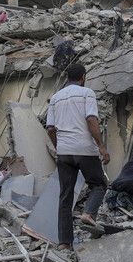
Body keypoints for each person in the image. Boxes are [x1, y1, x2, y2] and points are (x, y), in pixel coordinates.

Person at [45, 63, 110, 250]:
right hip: (85, 150)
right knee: (99, 184)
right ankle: (89, 213)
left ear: (68, 78)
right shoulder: (87, 93)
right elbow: (91, 119)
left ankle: (64, 243)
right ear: (83, 77)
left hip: (64, 153)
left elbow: (50, 129)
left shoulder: (55, 98)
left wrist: (59, 147)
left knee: (65, 196)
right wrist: (101, 146)